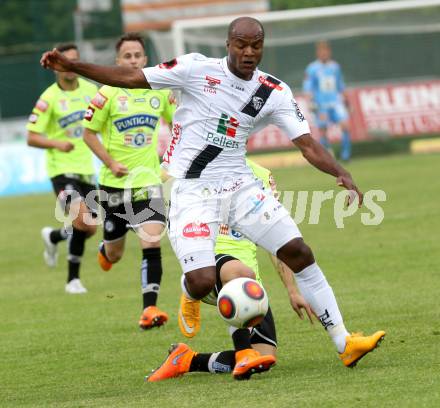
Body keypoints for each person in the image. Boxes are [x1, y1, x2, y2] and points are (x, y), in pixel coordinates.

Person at [40, 16, 386, 379]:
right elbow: (131, 78)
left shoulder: (273, 91)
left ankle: (344, 342)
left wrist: (341, 173)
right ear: (228, 43)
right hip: (191, 190)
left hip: (240, 186)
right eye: (241, 44)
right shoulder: (194, 69)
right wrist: (73, 65)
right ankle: (189, 292)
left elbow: (307, 144)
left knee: (299, 252)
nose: (249, 52)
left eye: (256, 45)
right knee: (203, 281)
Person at [146, 159, 315, 382]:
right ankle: (190, 290)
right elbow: (161, 179)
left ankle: (187, 360)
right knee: (238, 275)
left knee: (264, 359)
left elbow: (274, 240)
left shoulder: (262, 176)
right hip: (212, 265)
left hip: (250, 281)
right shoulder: (198, 164)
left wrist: (292, 291)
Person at [82, 33, 175, 329]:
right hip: (112, 185)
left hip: (147, 182)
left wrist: (171, 162)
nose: (133, 60)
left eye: (137, 55)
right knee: (115, 253)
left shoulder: (160, 91)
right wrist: (110, 162)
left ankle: (150, 309)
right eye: (127, 56)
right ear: (118, 61)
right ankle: (105, 250)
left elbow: (180, 127)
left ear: (145, 59)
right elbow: (87, 133)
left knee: (151, 239)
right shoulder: (107, 93)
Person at [28, 42, 98, 294]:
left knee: (89, 227)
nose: (69, 66)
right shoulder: (49, 98)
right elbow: (31, 137)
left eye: (74, 61)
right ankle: (73, 281)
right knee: (81, 220)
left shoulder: (91, 90)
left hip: (87, 171)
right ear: (56, 66)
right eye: (64, 61)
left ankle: (54, 237)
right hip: (61, 171)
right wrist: (58, 143)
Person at [303, 41, 352, 161]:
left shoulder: (335, 67)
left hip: (336, 103)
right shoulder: (312, 68)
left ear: (329, 52)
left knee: (345, 126)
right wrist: (310, 102)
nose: (324, 53)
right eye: (321, 51)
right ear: (318, 53)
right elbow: (308, 87)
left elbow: (340, 84)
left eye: (326, 51)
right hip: (321, 105)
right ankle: (327, 157)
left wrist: (347, 100)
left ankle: (346, 156)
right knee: (323, 130)